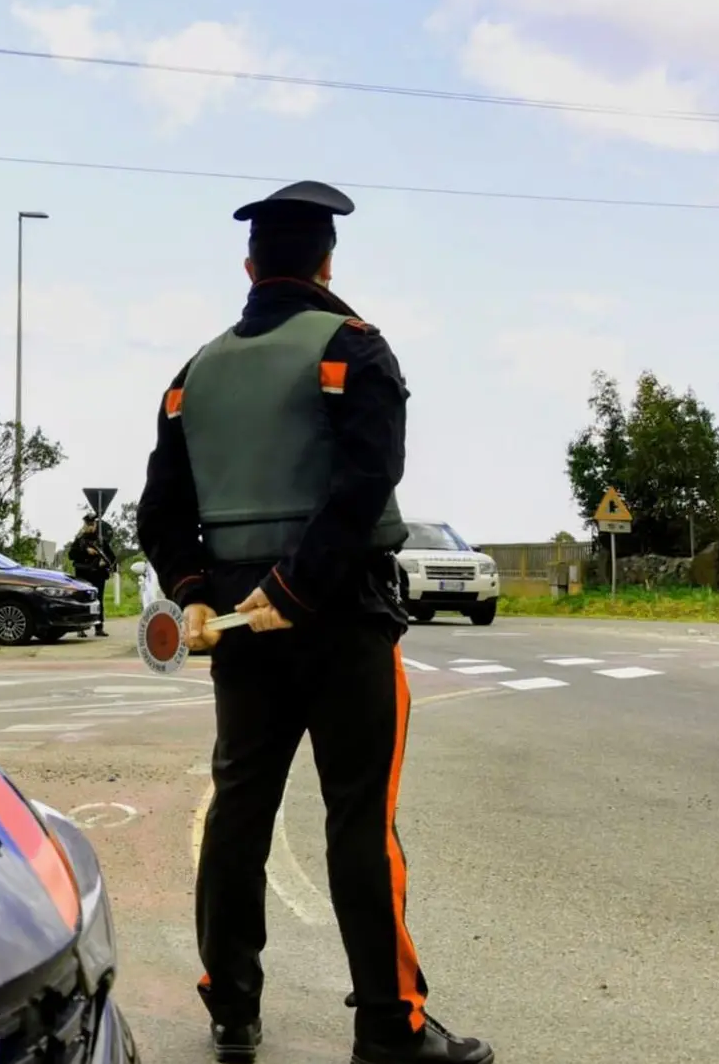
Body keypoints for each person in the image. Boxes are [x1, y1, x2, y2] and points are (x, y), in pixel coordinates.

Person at [135, 181, 492, 1064]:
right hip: (342, 621)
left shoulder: (192, 377)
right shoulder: (354, 348)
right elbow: (366, 482)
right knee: (359, 822)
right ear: (327, 265)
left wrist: (196, 593)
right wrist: (296, 589)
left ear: (250, 267)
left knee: (238, 814)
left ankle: (231, 1009)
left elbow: (159, 513)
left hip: (239, 633)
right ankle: (389, 1027)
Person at [67, 513, 116, 637]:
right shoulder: (79, 540)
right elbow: (71, 555)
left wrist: (104, 562)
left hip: (98, 574)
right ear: (84, 525)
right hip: (83, 574)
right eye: (88, 524)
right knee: (82, 600)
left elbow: (112, 557)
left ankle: (99, 628)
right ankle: (80, 628)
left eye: (92, 524)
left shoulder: (101, 541)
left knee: (98, 600)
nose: (90, 527)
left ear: (95, 525)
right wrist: (85, 551)